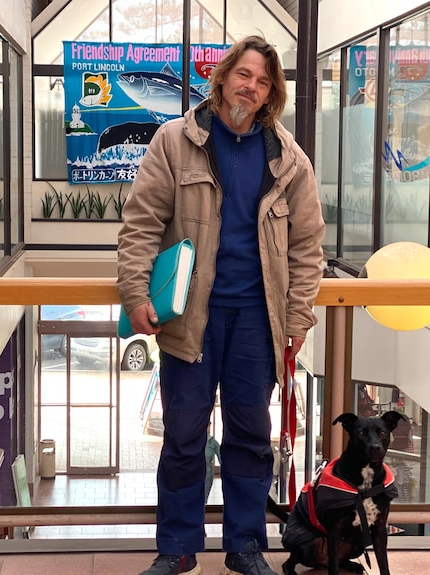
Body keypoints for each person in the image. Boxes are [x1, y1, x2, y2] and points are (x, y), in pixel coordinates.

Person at [117, 34, 325, 575]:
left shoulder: (289, 159)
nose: (250, 88)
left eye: (262, 82)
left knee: (251, 439)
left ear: (270, 93)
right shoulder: (174, 141)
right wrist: (136, 294)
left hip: (258, 323)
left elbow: (307, 250)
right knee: (183, 435)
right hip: (190, 320)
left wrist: (297, 320)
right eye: (244, 75)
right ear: (224, 76)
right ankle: (178, 548)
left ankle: (245, 546)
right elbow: (141, 224)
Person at [204, 424, 221, 503]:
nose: (207, 428)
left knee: (203, 499)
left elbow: (221, 459)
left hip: (207, 474)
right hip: (193, 474)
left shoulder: (213, 443)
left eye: (208, 426)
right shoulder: (194, 441)